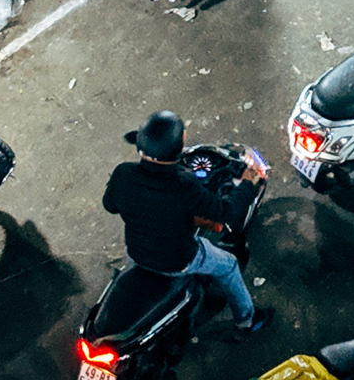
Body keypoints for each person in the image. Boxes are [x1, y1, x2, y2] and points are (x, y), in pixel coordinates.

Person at [103, 111, 262, 333]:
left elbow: (110, 206)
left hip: (137, 252)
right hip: (178, 260)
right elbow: (227, 212)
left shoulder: (123, 173)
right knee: (228, 265)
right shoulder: (183, 185)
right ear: (179, 146)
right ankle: (247, 320)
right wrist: (247, 183)